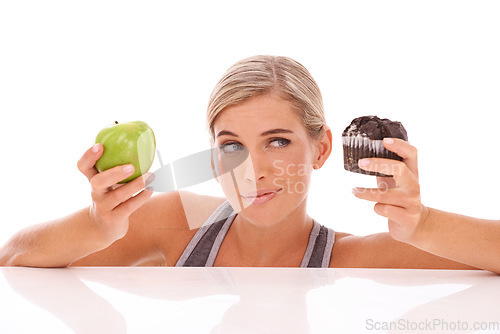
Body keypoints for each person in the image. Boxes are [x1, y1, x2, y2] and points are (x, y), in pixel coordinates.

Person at [0, 55, 499, 273]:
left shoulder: (351, 259)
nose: (252, 170)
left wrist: (425, 223)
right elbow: (14, 256)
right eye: (231, 145)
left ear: (322, 148)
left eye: (278, 141)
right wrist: (96, 224)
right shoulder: (173, 223)